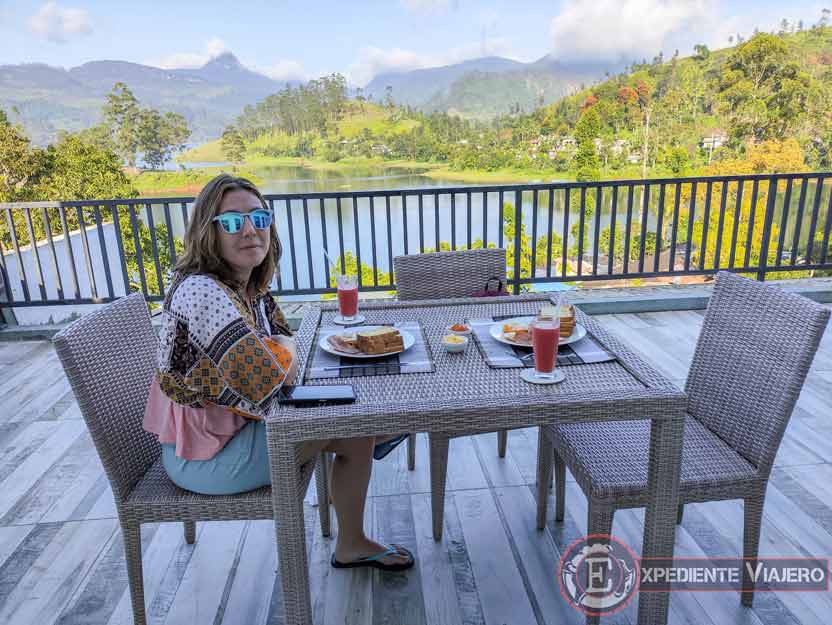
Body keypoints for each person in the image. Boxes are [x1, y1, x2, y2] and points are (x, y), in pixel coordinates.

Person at [143, 173, 413, 571]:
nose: (250, 230)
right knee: (361, 426)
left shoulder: (247, 285)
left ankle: (353, 536)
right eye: (233, 222)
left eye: (260, 218)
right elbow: (271, 382)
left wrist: (283, 350)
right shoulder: (203, 291)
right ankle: (358, 512)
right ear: (208, 232)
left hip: (227, 432)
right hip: (205, 459)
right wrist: (284, 351)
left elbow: (285, 341)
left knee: (360, 421)